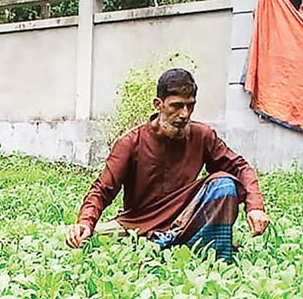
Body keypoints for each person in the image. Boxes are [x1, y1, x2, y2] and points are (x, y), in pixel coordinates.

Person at [66, 68, 269, 262]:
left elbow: (240, 167)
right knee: (88, 241)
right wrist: (85, 221)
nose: (185, 114)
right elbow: (102, 189)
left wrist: (256, 206)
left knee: (223, 183)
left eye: (190, 106)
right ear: (158, 104)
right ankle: (173, 244)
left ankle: (203, 251)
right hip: (138, 225)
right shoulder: (130, 142)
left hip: (185, 220)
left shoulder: (202, 136)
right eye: (177, 106)